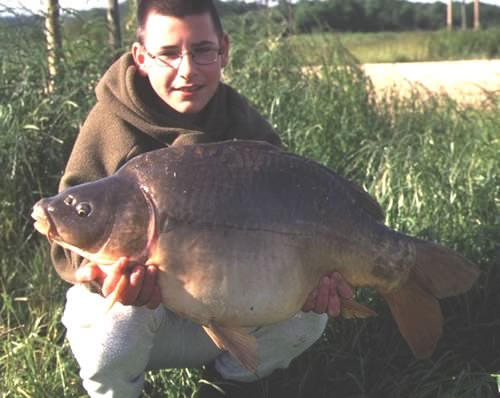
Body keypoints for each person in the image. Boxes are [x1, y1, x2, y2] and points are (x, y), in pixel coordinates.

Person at [51, 1, 354, 396]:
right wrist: (99, 275)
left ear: (224, 49)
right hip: (142, 319)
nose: (187, 69)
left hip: (226, 305)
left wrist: (308, 280)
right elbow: (68, 241)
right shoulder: (110, 124)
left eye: (202, 50)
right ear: (141, 56)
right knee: (114, 321)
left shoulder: (245, 126)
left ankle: (228, 384)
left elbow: (292, 219)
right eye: (169, 53)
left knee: (308, 317)